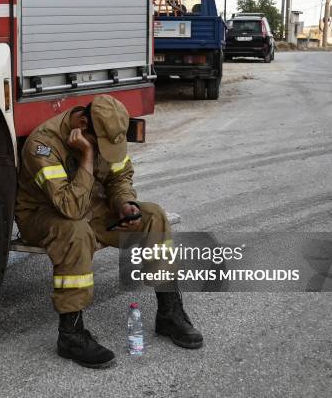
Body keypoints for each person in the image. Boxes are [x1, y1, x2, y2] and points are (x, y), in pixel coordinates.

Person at [15, 95, 203, 369]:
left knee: (153, 216)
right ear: (82, 123)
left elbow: (119, 177)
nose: (103, 151)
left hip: (87, 206)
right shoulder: (43, 145)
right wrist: (88, 156)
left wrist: (124, 204)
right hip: (43, 215)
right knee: (76, 231)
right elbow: (70, 208)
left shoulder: (106, 132)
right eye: (98, 146)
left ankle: (169, 313)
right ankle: (71, 335)